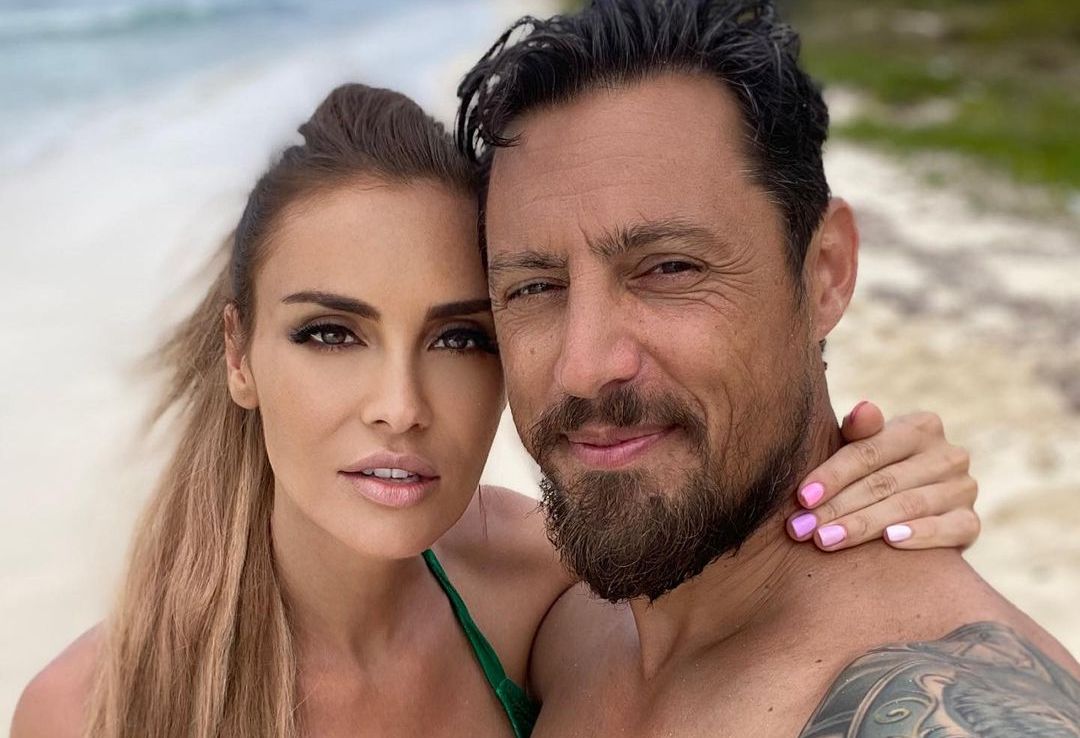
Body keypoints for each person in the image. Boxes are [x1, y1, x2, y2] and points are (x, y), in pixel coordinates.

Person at [12, 81, 981, 738]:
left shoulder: (539, 588)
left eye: (459, 339)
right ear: (238, 355)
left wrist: (870, 476)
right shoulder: (91, 710)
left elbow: (736, 572)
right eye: (331, 334)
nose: (399, 408)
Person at [456, 0, 1080, 735]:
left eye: (669, 268)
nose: (584, 366)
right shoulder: (560, 636)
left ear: (824, 274)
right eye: (534, 288)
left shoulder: (935, 702)